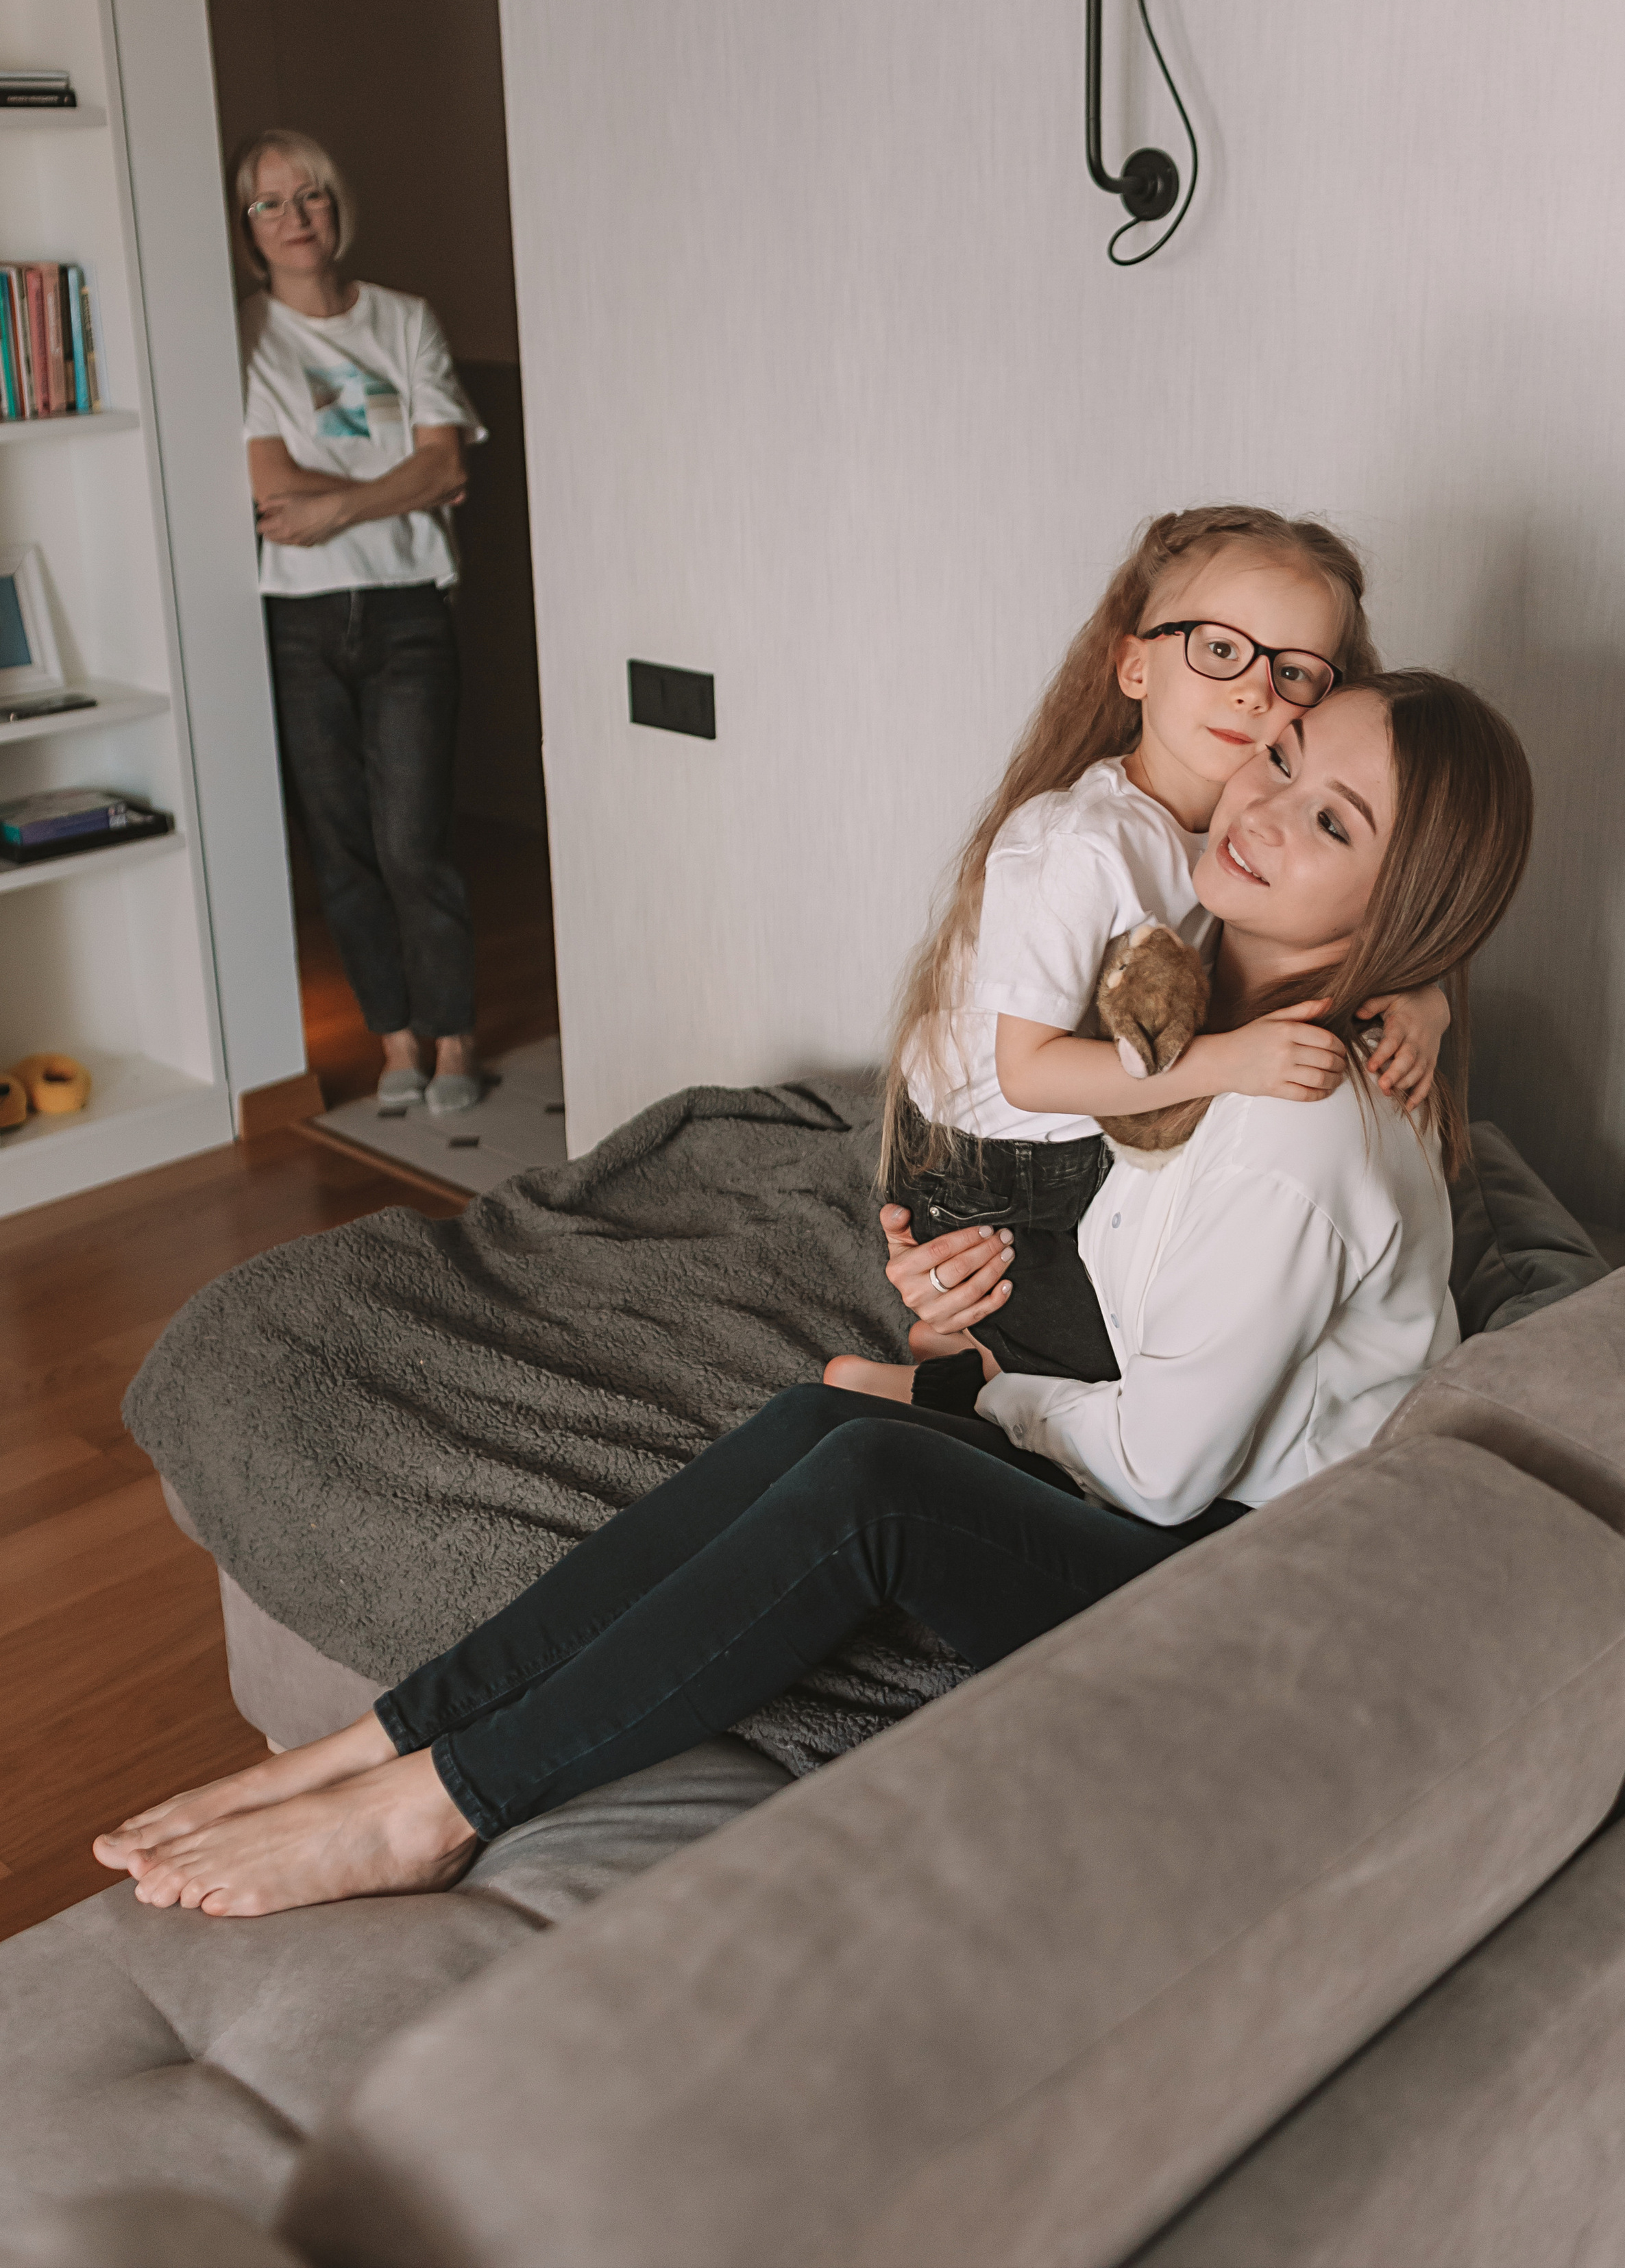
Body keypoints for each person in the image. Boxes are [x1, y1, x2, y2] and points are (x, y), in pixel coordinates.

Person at [93, 668, 1532, 1920]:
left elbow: (1163, 1476)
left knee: (869, 1485)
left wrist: (969, 1394)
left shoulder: (1295, 1130)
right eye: (1280, 756)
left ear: (1400, 904)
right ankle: (392, 1734)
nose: (1264, 807)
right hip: (1179, 1470)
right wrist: (960, 1340)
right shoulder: (1199, 992)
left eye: (1333, 822)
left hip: (1240, 1582)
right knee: (812, 1422)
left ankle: (437, 1808)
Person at [879, 505, 1450, 1390]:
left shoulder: (1246, 823)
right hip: (1003, 1162)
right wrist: (1231, 1061)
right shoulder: (1082, 844)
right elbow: (1028, 1074)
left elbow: (1371, 902)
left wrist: (1422, 995)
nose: (1254, 694)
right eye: (1220, 650)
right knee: (1125, 1371)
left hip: (1098, 1123)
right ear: (1135, 666)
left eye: (1294, 673)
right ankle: (936, 1369)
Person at [235, 128, 487, 1114]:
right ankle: (396, 1039)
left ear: (337, 206)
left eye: (311, 196)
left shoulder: (404, 320)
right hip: (297, 620)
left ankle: (455, 1036)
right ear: (248, 228)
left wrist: (335, 505)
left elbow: (448, 463)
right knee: (341, 847)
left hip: (409, 604)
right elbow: (269, 484)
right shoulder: (242, 336)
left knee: (414, 839)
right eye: (270, 204)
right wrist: (398, 484)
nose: (295, 218)